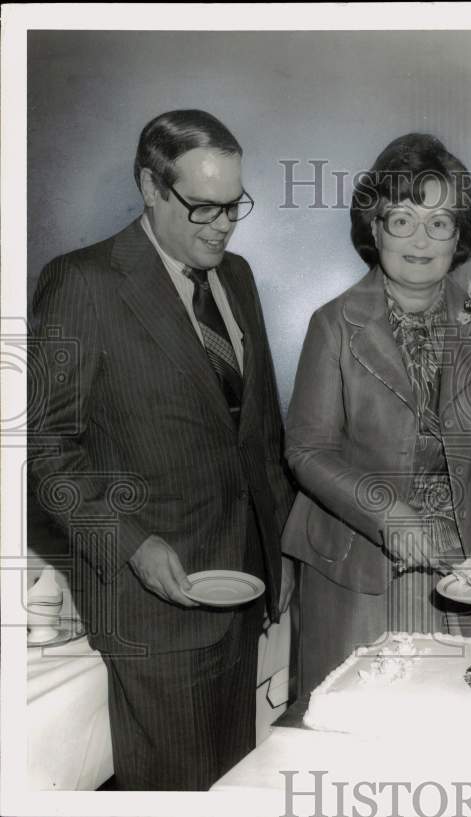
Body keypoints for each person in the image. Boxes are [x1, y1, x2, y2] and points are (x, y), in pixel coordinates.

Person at [27, 109, 295, 790]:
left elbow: (258, 437)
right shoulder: (82, 283)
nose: (223, 225)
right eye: (203, 207)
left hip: (241, 588)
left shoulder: (237, 278)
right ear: (150, 186)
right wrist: (131, 543)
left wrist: (279, 546)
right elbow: (48, 452)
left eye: (233, 205)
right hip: (153, 608)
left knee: (234, 786)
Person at [282, 133, 471, 693]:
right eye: (402, 220)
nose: (421, 239)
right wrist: (385, 510)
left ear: (458, 236)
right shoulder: (333, 324)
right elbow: (306, 449)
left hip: (468, 571)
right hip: (365, 568)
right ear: (374, 227)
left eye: (439, 222)